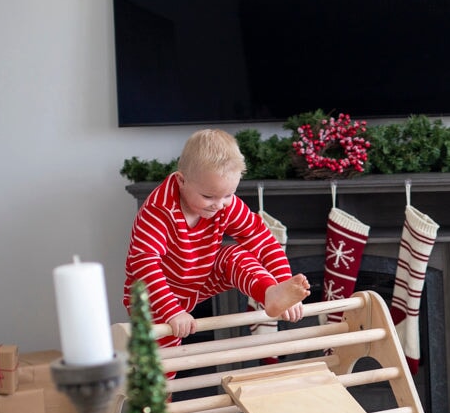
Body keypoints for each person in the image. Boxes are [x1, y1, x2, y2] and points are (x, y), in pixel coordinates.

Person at [123, 129, 311, 349]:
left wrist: (283, 282)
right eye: (208, 196)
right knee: (163, 366)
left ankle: (271, 294)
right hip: (155, 294)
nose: (219, 204)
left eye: (228, 195)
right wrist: (172, 311)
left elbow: (262, 239)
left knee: (234, 255)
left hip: (198, 279)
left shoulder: (223, 204)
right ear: (181, 181)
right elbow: (144, 265)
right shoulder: (159, 211)